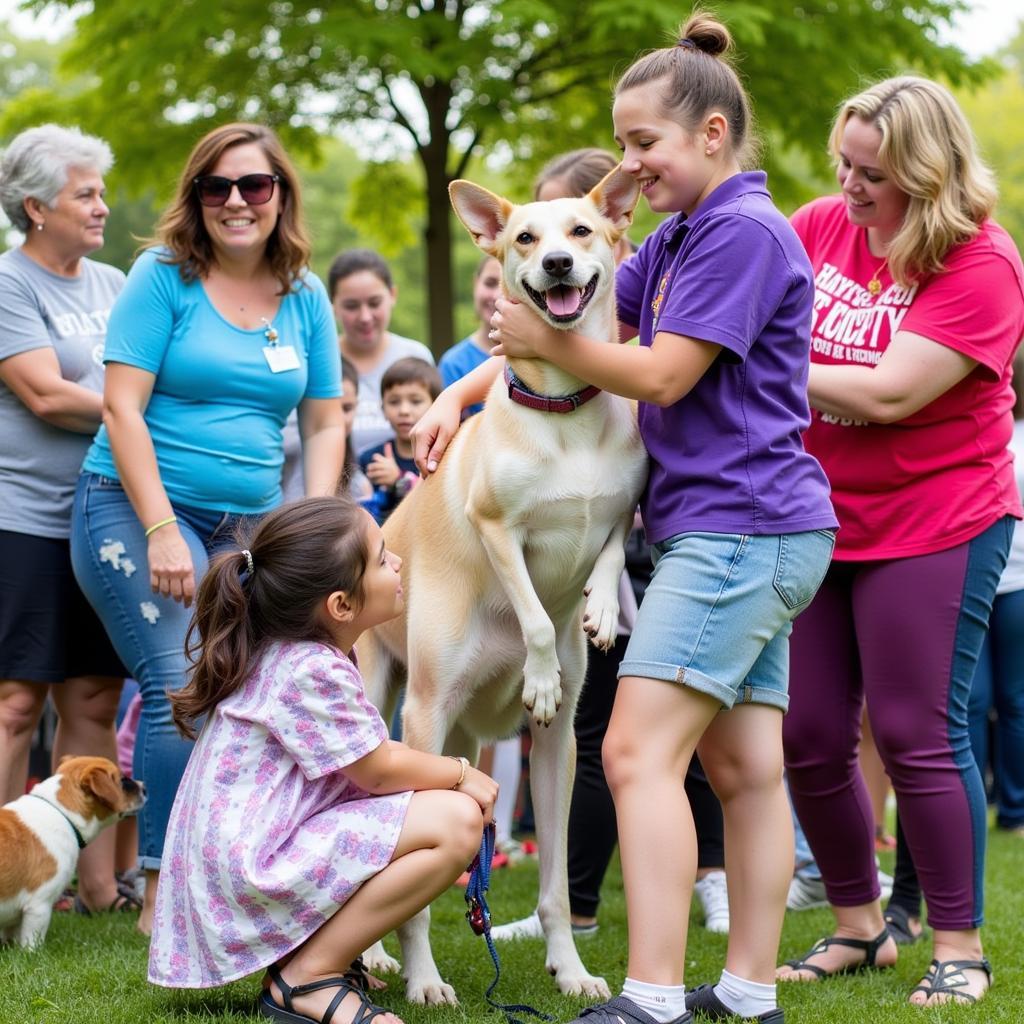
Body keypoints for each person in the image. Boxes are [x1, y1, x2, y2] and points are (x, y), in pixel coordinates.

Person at [413, 15, 838, 1024]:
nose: (629, 164)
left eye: (643, 142)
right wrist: (461, 389)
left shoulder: (738, 233)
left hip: (740, 526)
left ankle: (648, 995)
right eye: (624, 143)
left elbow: (655, 370)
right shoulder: (681, 234)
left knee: (636, 753)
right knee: (740, 766)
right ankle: (745, 990)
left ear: (712, 133)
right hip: (746, 527)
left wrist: (521, 346)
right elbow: (567, 329)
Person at [777, 76, 1024, 1008]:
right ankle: (857, 925)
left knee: (918, 729)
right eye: (843, 162)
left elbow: (886, 393)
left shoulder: (981, 263)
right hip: (823, 515)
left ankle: (958, 944)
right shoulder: (819, 226)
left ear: (925, 174)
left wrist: (762, 362)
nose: (848, 186)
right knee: (806, 733)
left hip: (939, 518)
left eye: (870, 172)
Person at [70, 122, 345, 935]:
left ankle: (238, 873)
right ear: (195, 198)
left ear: (280, 197)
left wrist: (316, 525)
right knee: (182, 679)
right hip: (133, 503)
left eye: (254, 186)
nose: (235, 201)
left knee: (254, 690)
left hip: (250, 525)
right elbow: (121, 405)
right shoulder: (163, 277)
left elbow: (324, 423)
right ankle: (161, 897)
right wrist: (158, 525)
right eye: (215, 187)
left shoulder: (306, 295)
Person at [491, 146, 729, 943]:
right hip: (634, 536)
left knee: (688, 742)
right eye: (530, 237)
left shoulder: (708, 247)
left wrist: (601, 573)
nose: (556, 252)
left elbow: (655, 377)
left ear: (613, 227)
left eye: (578, 229)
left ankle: (713, 888)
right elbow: (514, 349)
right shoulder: (613, 276)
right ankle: (580, 909)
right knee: (613, 738)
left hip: (709, 522)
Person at [146, 497, 496, 1024]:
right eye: (381, 558)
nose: (397, 560)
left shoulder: (294, 653)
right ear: (340, 606)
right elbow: (377, 770)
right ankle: (306, 977)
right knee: (455, 821)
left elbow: (368, 764)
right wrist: (463, 774)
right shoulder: (310, 668)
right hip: (250, 873)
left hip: (244, 862)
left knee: (422, 809)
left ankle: (312, 958)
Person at [0, 123, 135, 914]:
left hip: (99, 517)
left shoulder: (115, 285)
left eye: (100, 192)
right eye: (85, 194)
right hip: (21, 518)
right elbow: (46, 395)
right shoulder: (9, 285)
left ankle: (96, 886)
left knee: (93, 702)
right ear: (35, 207)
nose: (101, 207)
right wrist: (133, 417)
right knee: (17, 701)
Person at [967, 349, 1024, 837]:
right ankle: (1011, 810)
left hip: (998, 581)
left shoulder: (987, 433)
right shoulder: (989, 431)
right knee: (1010, 701)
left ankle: (994, 805)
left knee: (976, 699)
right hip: (1001, 584)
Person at [330, 248, 433, 455]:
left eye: (374, 303)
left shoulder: (415, 356)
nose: (365, 317)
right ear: (333, 306)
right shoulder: (322, 362)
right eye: (351, 306)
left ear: (392, 295)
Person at [359, 357, 442, 524]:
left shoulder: (440, 454)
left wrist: (398, 481)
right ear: (382, 409)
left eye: (415, 401)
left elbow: (438, 503)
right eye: (394, 402)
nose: (404, 410)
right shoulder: (371, 458)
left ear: (436, 404)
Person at [438, 254, 502, 417]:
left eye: (508, 284)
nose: (497, 295)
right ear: (475, 283)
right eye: (490, 283)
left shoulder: (542, 354)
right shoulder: (454, 364)